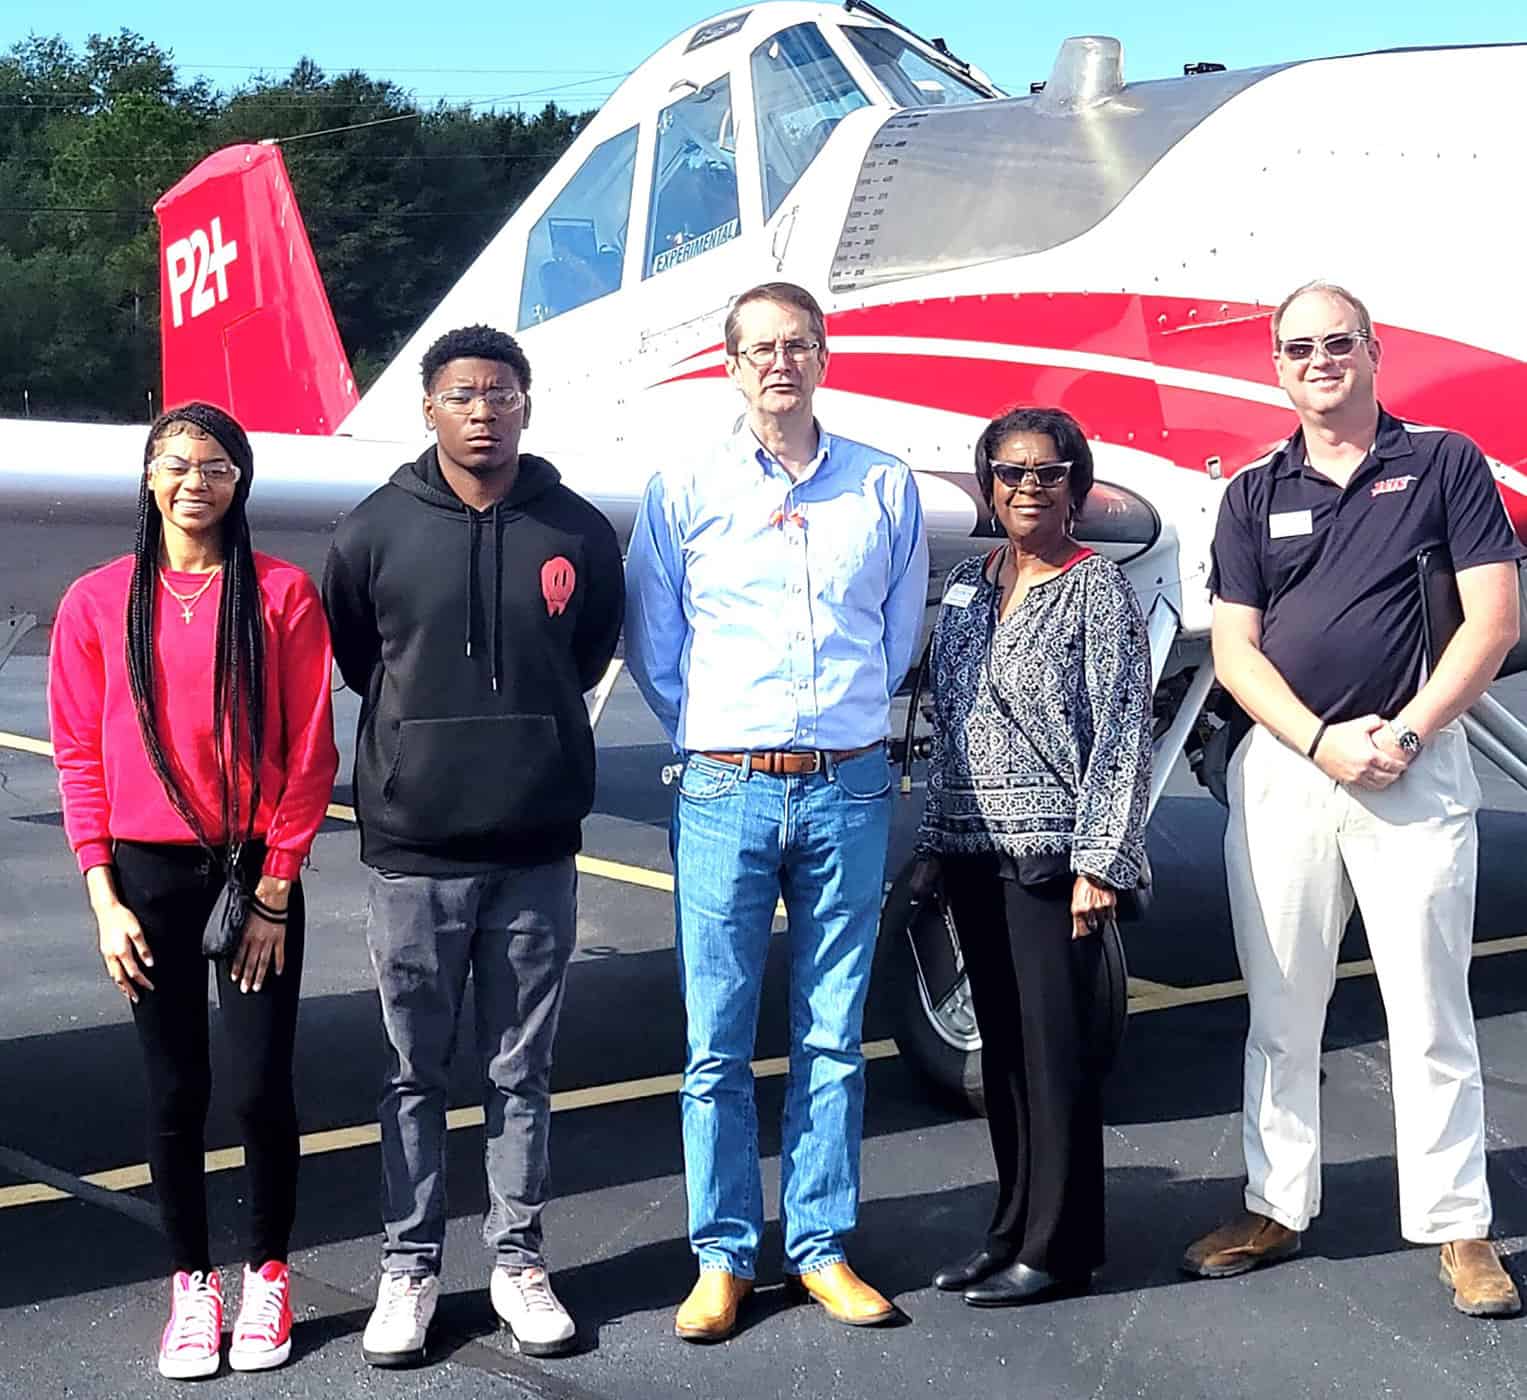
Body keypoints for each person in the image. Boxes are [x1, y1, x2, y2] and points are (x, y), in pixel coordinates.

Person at [1183, 281, 1523, 1316]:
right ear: (1277, 368)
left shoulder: (1444, 464)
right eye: (1299, 347)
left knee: (1431, 1011)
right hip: (1290, 769)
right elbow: (1235, 650)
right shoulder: (1250, 493)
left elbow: (1492, 621)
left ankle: (1459, 1225)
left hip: (1412, 763)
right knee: (1283, 1009)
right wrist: (1321, 739)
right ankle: (1278, 1202)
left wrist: (1408, 732)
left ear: (1374, 352)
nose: (1319, 359)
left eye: (1339, 342)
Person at [625, 281, 929, 1343]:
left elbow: (894, 640)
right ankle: (722, 1253)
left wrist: (832, 729)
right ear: (731, 363)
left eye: (798, 343)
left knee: (832, 1029)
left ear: (825, 355)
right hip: (723, 784)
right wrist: (721, 735)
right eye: (759, 347)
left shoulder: (885, 486)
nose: (779, 363)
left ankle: (821, 1244)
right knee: (715, 1038)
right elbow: (657, 650)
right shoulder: (682, 486)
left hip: (848, 781)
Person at [322, 324, 624, 1365]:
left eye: (499, 391)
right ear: (430, 408)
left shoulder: (578, 530)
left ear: (527, 402)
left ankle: (518, 1258)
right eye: (461, 394)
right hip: (414, 852)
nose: (482, 408)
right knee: (413, 1069)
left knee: (522, 1068)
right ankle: (408, 1263)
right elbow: (364, 656)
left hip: (538, 847)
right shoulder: (372, 531)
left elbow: (586, 654)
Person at [48, 403, 339, 1379]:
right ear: (147, 477)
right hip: (145, 874)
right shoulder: (96, 603)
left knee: (259, 1088)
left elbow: (308, 750)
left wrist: (274, 887)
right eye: (175, 463)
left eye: (215, 465)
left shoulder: (284, 593)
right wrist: (104, 896)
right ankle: (191, 1284)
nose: (194, 480)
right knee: (175, 1090)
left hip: (251, 868)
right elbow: (81, 759)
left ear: (240, 481)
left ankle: (265, 1273)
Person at [909, 406, 1152, 1306]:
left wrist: (1102, 860)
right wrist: (934, 842)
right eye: (1008, 473)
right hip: (973, 851)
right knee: (1004, 1055)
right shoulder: (972, 586)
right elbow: (948, 721)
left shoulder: (1097, 589)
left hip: (1052, 856)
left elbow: (1121, 730)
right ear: (988, 484)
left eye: (1046, 474)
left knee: (1054, 1058)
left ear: (1075, 488)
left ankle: (1058, 1248)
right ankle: (1010, 1226)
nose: (1026, 489)